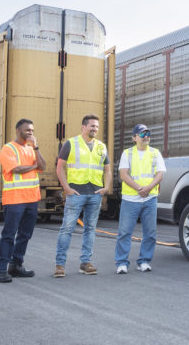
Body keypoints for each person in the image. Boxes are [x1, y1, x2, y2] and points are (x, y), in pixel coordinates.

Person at [53, 114, 112, 278]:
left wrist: (106, 187)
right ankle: (60, 265)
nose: (95, 129)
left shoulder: (101, 146)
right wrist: (67, 188)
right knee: (67, 229)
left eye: (97, 126)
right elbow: (60, 168)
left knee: (90, 229)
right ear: (83, 127)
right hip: (76, 193)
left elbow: (107, 169)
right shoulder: (71, 144)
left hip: (95, 194)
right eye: (92, 126)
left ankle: (85, 263)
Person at [0, 118, 45, 282]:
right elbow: (16, 169)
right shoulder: (8, 149)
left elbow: (43, 167)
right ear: (18, 131)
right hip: (15, 199)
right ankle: (1, 269)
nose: (30, 132)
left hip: (32, 199)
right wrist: (34, 166)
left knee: (25, 234)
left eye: (32, 130)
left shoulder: (32, 148)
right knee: (9, 235)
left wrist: (36, 148)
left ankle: (16, 265)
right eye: (27, 130)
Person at [115, 124, 165, 274]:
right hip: (131, 199)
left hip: (149, 198)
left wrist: (148, 188)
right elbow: (124, 174)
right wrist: (139, 188)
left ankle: (144, 261)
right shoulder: (127, 153)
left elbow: (160, 174)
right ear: (134, 138)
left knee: (150, 233)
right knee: (124, 232)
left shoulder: (155, 153)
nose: (146, 137)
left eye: (148, 134)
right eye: (142, 134)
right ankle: (122, 263)